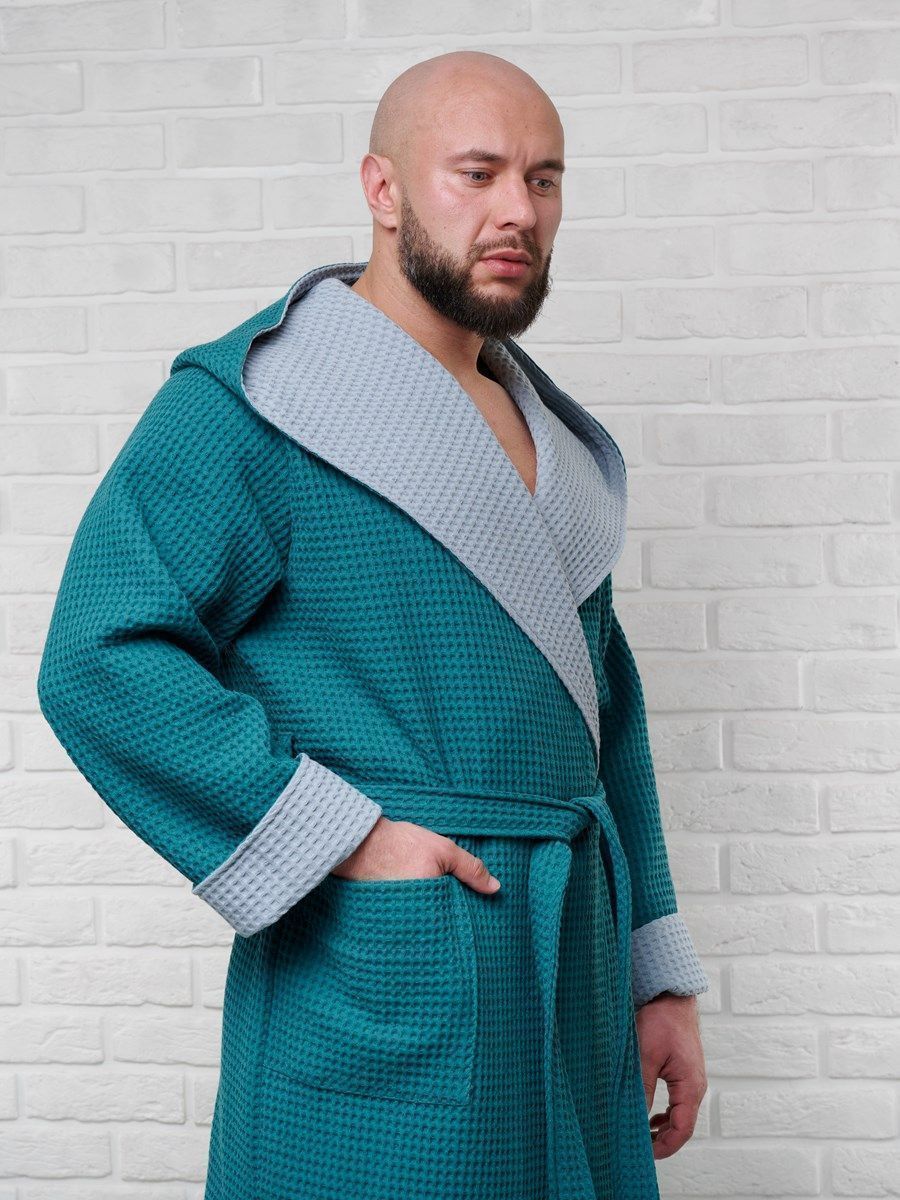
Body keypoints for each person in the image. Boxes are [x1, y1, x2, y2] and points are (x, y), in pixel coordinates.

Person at [36, 49, 709, 1200]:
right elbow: (102, 654)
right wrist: (344, 838)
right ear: (382, 190)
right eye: (477, 173)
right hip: (388, 958)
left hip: (573, 967)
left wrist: (657, 974)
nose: (518, 210)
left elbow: (606, 718)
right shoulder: (256, 401)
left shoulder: (549, 440)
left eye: (544, 179)